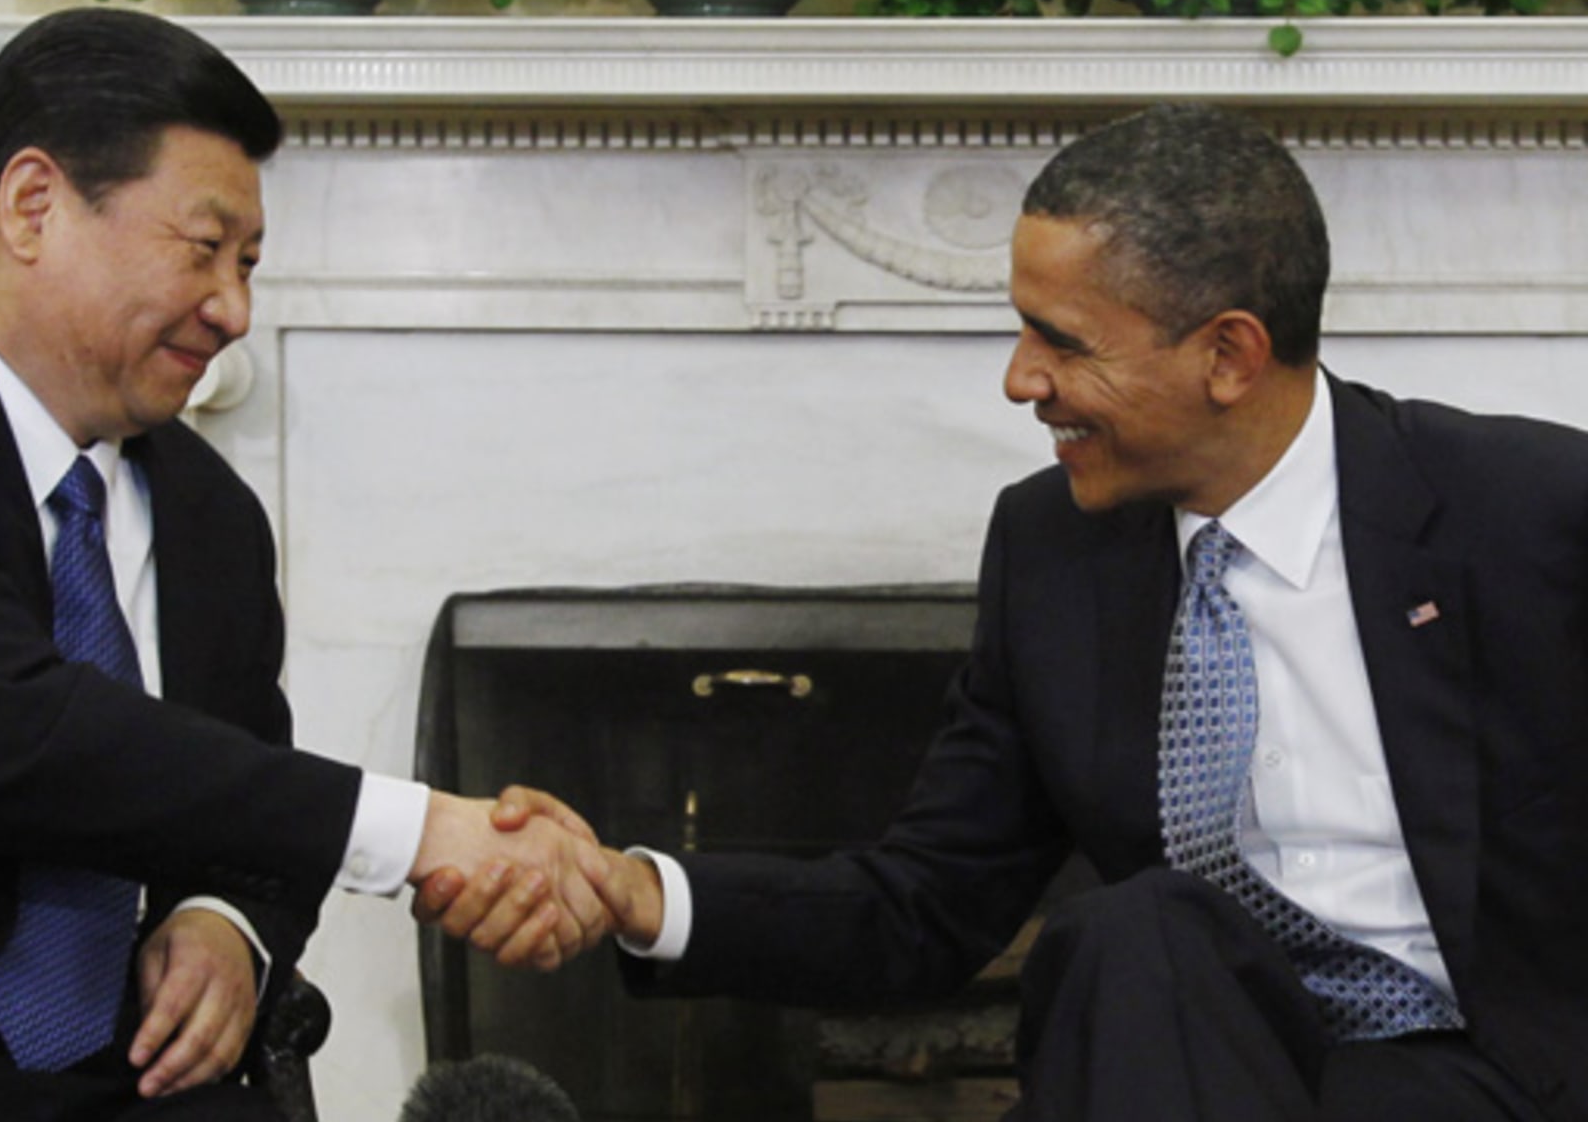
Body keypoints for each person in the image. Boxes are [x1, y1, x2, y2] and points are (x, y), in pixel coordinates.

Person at [420, 104, 1586, 1120]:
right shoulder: (1055, 552)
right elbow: (923, 903)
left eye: (1062, 341)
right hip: (1174, 1062)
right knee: (1141, 935)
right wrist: (639, 888)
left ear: (1229, 353)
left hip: (1471, 1074)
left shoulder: (1528, 515)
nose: (1020, 379)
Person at [0, 8, 610, 1122]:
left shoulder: (211, 514)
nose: (234, 309)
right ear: (34, 205)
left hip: (138, 1077)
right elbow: (13, 736)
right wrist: (419, 830)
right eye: (203, 249)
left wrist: (226, 916)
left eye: (250, 264)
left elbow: (238, 773)